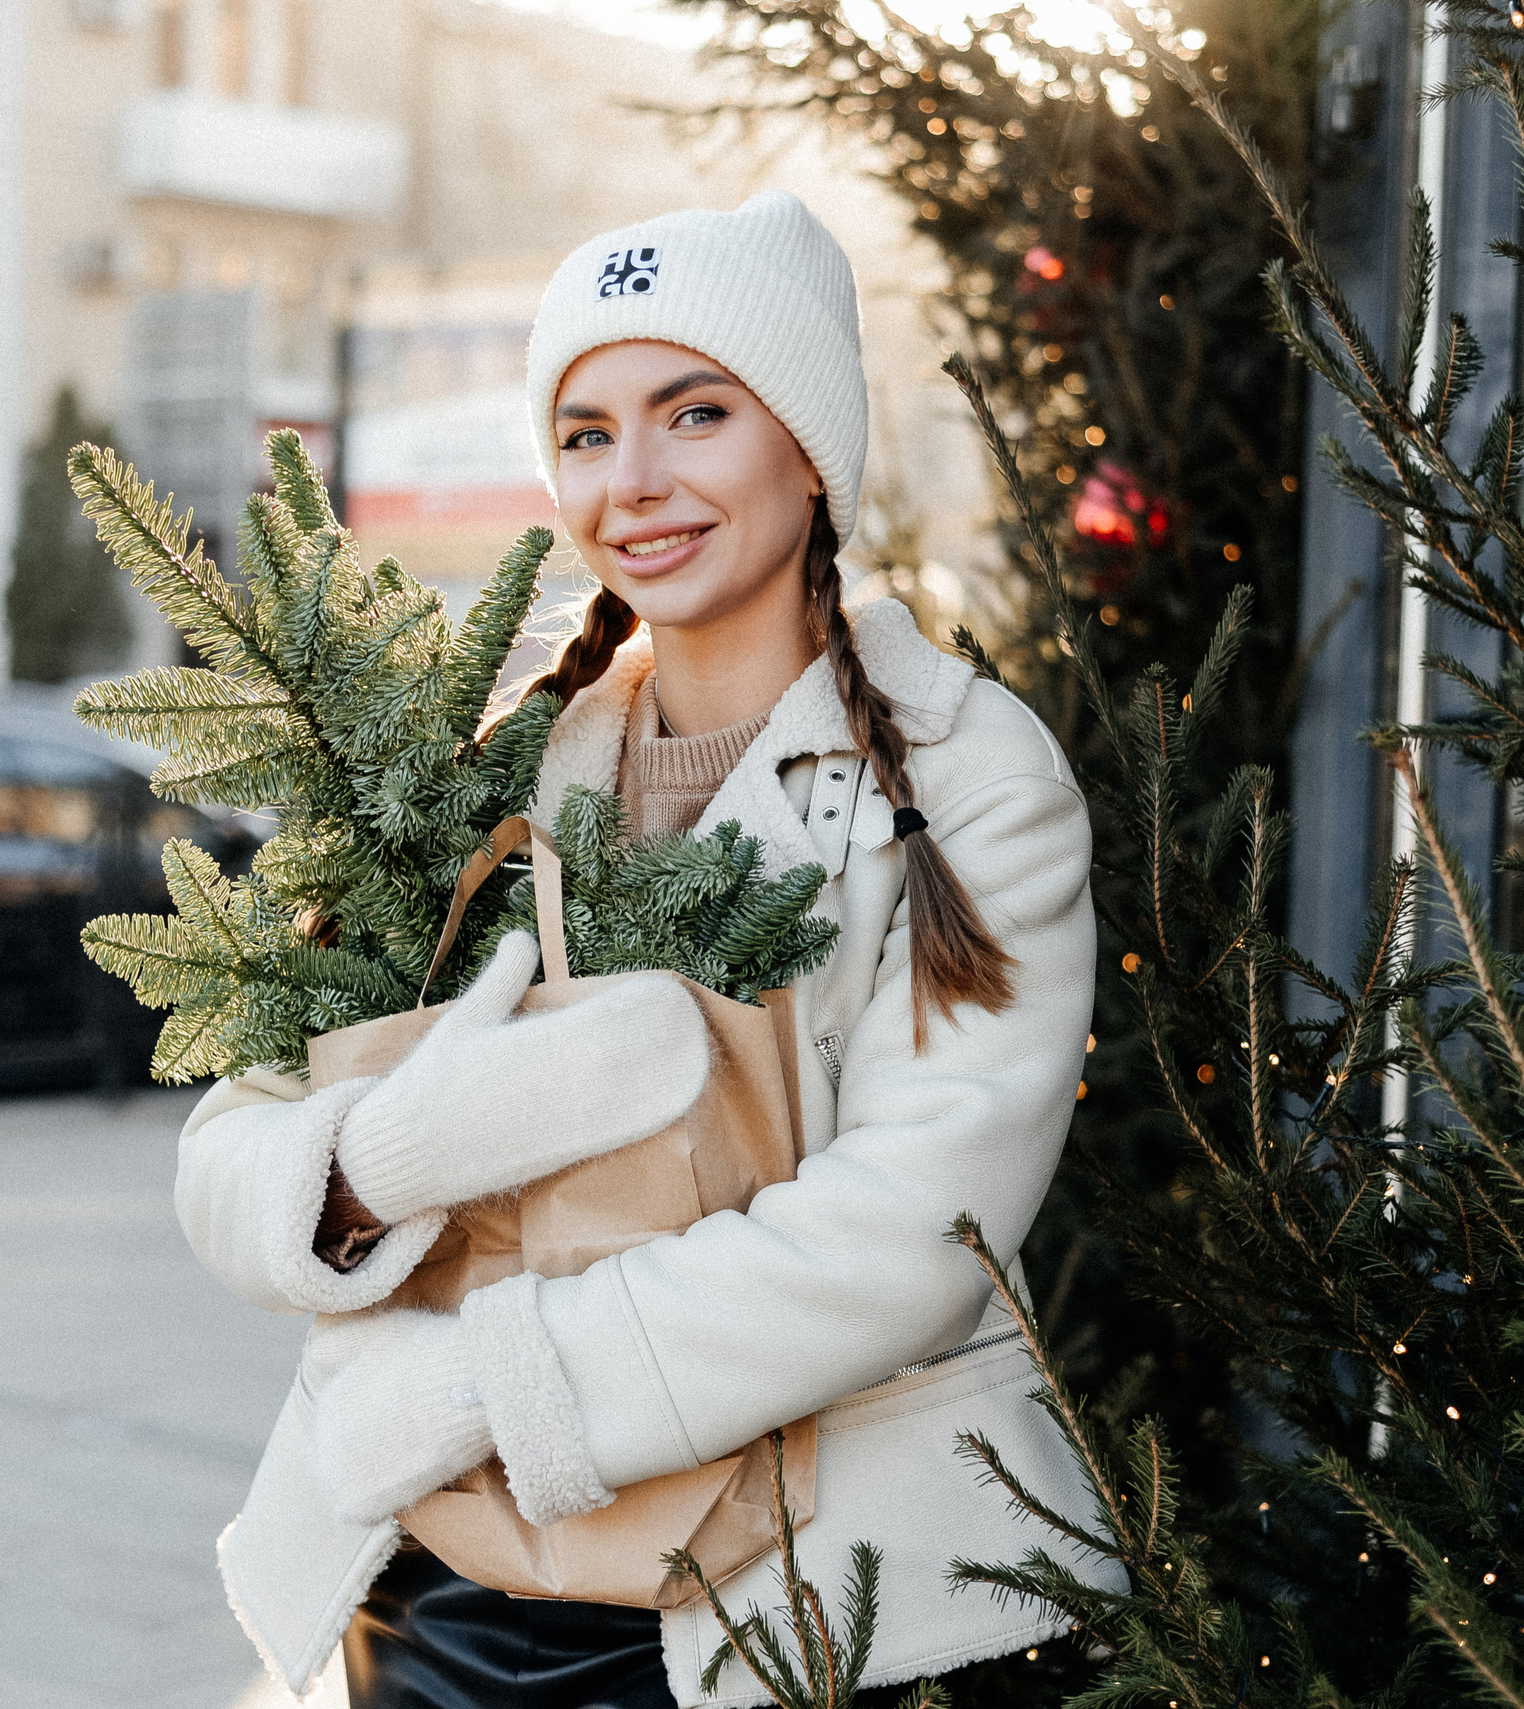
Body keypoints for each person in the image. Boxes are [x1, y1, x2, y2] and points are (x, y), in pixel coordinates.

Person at [176, 190, 1118, 1707]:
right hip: (446, 1599)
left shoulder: (967, 780)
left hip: (808, 1603)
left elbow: (913, 1234)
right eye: (589, 431)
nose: (637, 482)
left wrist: (493, 1383)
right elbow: (233, 1139)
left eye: (695, 412)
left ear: (808, 445)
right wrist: (371, 1163)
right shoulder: (495, 775)